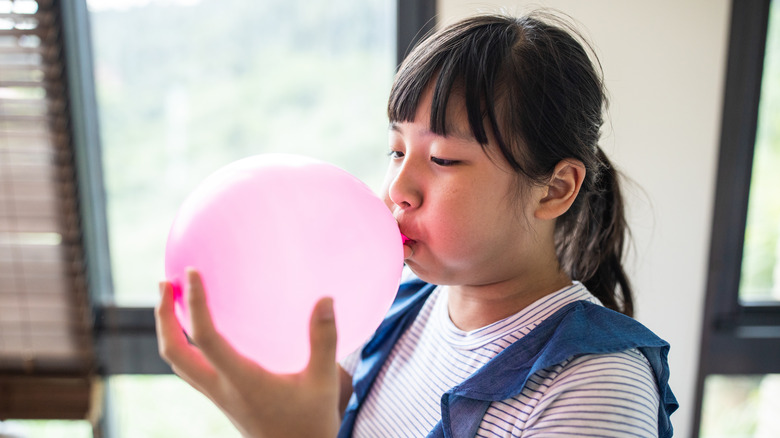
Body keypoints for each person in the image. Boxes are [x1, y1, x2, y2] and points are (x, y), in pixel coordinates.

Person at [155, 12, 678, 438]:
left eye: (444, 160)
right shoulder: (400, 301)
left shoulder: (599, 387)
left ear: (555, 187)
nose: (397, 190)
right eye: (397, 149)